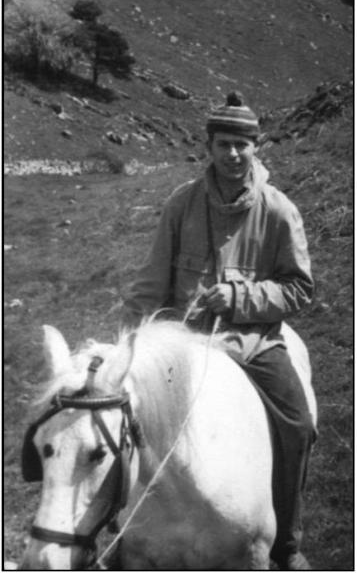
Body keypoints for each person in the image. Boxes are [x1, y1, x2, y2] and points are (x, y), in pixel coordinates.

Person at [120, 91, 316, 571]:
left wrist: (239, 298)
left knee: (298, 425)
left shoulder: (278, 210)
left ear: (256, 147)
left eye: (242, 145)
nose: (233, 154)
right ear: (207, 146)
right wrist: (128, 341)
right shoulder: (181, 204)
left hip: (253, 342)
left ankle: (286, 544)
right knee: (120, 416)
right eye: (224, 144)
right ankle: (116, 527)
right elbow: (152, 281)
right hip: (181, 342)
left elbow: (299, 290)